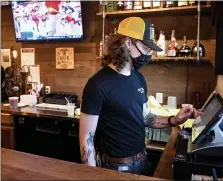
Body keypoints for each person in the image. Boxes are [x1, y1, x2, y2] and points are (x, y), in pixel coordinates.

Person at [79, 17, 202, 176]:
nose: (149, 54)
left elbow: (146, 116)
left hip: (142, 161)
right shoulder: (98, 84)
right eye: (145, 47)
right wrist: (91, 175)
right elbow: (86, 137)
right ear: (128, 43)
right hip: (116, 168)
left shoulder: (138, 78)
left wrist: (174, 119)